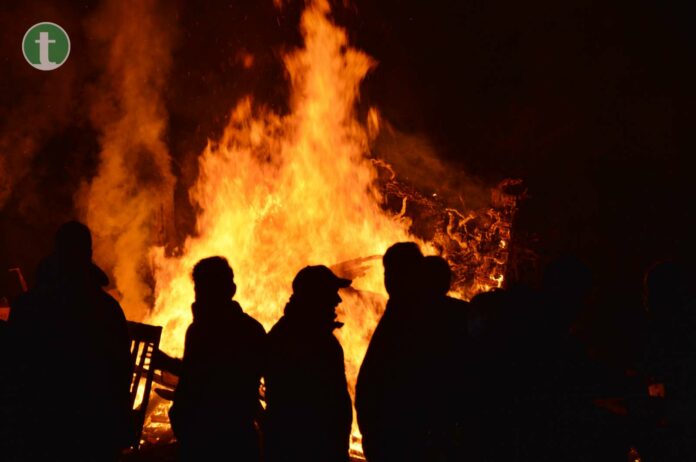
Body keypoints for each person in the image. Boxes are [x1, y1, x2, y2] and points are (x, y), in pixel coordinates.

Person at [7, 221, 132, 461]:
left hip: (38, 432)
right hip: (95, 433)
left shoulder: (28, 306)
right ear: (89, 254)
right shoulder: (107, 309)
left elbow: (12, 369)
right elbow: (121, 371)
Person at [169, 256, 265, 462]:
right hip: (239, 441)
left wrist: (181, 424)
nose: (198, 296)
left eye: (202, 289)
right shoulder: (252, 329)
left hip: (202, 442)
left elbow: (194, 384)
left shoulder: (199, 331)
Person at [263, 265, 353, 462]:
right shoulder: (293, 340)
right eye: (331, 293)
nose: (337, 300)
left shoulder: (314, 338)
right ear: (314, 297)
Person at [356, 242, 430, 462]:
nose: (389, 279)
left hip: (398, 440)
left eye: (393, 272)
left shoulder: (407, 318)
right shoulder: (406, 311)